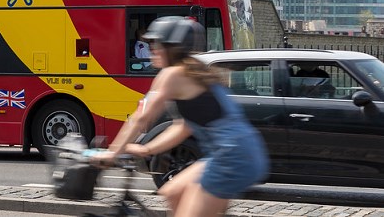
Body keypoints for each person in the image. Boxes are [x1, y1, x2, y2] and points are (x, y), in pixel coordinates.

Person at [92, 17, 268, 217]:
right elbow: (183, 126)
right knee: (172, 192)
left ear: (172, 47)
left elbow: (141, 118)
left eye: (156, 43)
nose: (151, 49)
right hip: (236, 152)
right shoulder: (194, 73)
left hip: (232, 157)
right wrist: (146, 148)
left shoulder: (172, 75)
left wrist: (112, 153)